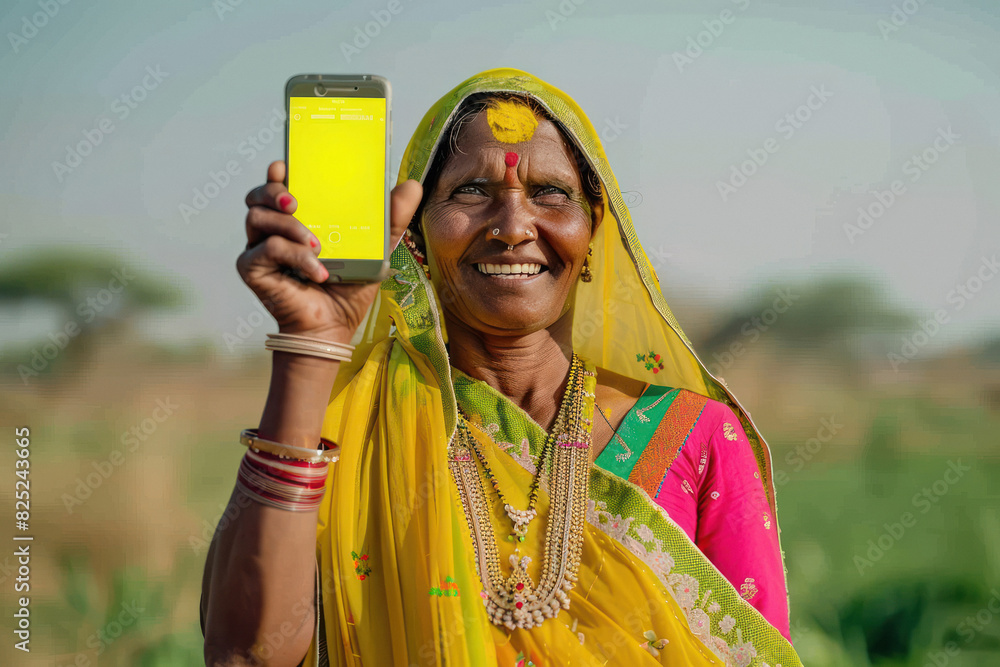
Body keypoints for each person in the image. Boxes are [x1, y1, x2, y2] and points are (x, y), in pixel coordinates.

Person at [201, 68, 802, 667]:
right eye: (470, 192)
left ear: (593, 229)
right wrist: (312, 344)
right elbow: (245, 656)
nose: (513, 227)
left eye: (550, 193)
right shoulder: (340, 426)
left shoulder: (695, 437)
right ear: (413, 237)